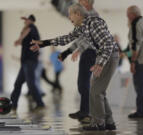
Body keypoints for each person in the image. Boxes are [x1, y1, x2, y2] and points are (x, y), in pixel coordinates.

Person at [30, 3, 119, 131]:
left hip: (109, 56)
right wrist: (44, 43)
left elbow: (109, 44)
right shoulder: (82, 27)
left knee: (95, 91)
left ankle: (99, 123)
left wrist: (100, 63)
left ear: (78, 14)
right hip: (105, 56)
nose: (69, 17)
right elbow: (67, 38)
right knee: (97, 90)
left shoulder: (94, 23)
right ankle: (109, 122)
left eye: (70, 15)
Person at [58, 0, 98, 123]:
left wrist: (78, 50)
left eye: (81, 1)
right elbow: (80, 37)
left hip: (91, 52)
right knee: (82, 84)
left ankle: (87, 113)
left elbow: (89, 38)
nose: (79, 2)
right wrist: (68, 52)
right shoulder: (87, 16)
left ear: (87, 3)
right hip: (87, 52)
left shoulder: (93, 16)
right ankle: (85, 111)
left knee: (84, 84)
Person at [10, 15, 45, 113]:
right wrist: (20, 39)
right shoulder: (29, 30)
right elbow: (24, 33)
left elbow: (26, 31)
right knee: (17, 83)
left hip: (30, 61)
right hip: (25, 61)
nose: (24, 23)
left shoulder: (32, 27)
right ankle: (13, 105)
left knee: (30, 83)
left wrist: (19, 39)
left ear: (31, 21)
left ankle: (40, 104)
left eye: (27, 21)